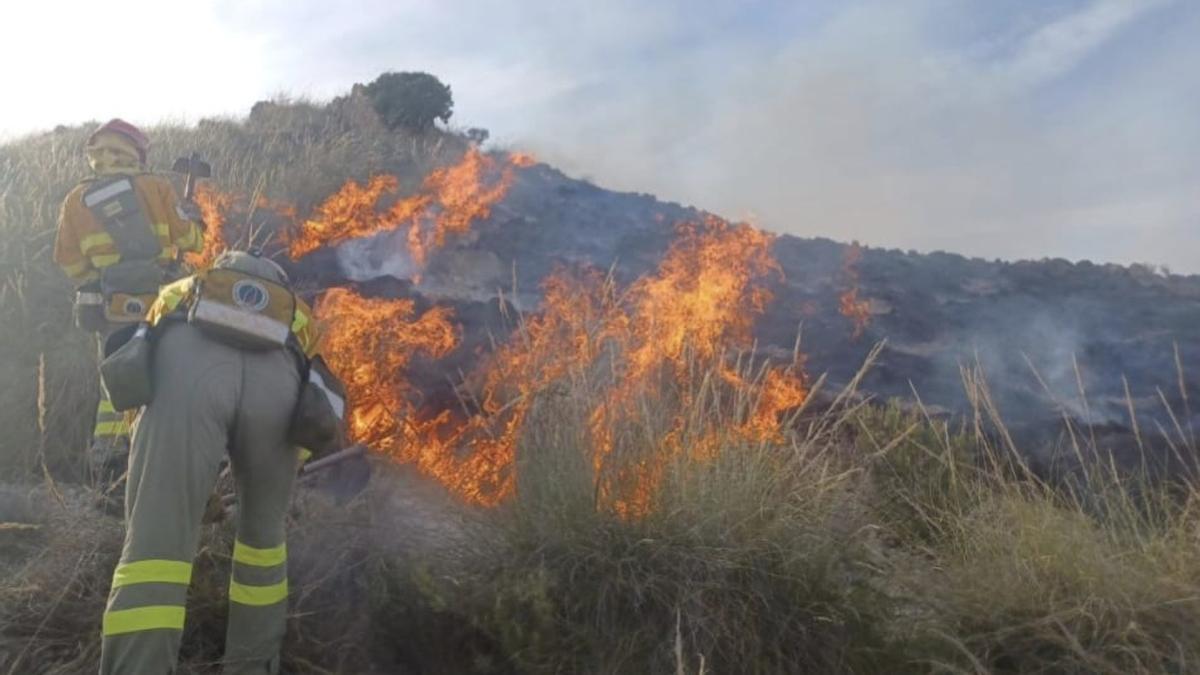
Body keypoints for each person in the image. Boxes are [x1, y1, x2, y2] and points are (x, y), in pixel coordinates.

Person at [99, 250, 324, 674]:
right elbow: (310, 406)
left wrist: (177, 480)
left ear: (219, 269)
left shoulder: (181, 291)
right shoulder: (300, 316)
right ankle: (252, 665)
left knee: (155, 549)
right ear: (278, 284)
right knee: (263, 544)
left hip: (186, 370)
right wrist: (285, 474)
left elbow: (141, 375)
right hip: (278, 390)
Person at [53, 118, 204, 491]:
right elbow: (191, 242)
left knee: (116, 379)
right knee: (168, 375)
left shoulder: (76, 199)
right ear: (137, 153)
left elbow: (68, 262)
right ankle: (163, 460)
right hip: (165, 303)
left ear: (95, 154)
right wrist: (195, 223)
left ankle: (109, 465)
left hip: (112, 307)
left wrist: (100, 274)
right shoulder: (156, 187)